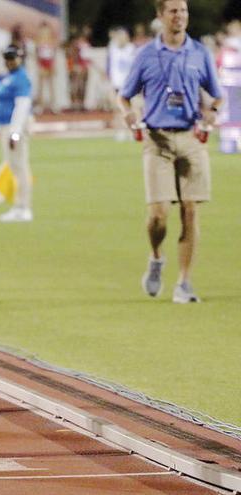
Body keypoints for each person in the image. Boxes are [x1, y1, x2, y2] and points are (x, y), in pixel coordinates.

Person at [118, 0, 222, 303]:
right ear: (160, 16)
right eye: (174, 11)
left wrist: (213, 112)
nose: (181, 16)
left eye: (184, 11)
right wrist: (127, 114)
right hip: (157, 139)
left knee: (190, 211)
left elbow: (217, 96)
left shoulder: (200, 53)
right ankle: (156, 257)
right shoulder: (146, 55)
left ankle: (184, 283)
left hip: (191, 137)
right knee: (159, 216)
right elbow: (124, 96)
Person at [0, 45, 33, 222]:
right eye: (7, 59)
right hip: (6, 125)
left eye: (12, 58)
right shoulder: (11, 77)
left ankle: (23, 207)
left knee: (19, 166)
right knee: (14, 165)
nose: (9, 62)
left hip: (13, 127)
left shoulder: (21, 78)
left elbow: (22, 106)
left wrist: (15, 133)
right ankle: (18, 205)